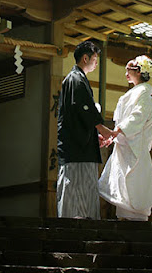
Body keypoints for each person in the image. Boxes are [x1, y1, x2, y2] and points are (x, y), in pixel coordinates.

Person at [98, 55, 152, 221]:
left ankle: (135, 220)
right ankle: (124, 218)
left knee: (133, 185)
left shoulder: (146, 99)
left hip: (136, 148)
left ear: (139, 72)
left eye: (129, 69)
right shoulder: (133, 95)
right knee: (123, 187)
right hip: (125, 145)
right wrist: (113, 136)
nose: (126, 72)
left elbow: (136, 118)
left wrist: (115, 132)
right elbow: (126, 121)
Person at [57, 40, 115, 219]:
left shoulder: (76, 79)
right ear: (85, 58)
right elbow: (84, 108)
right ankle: (77, 223)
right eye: (95, 59)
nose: (96, 63)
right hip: (77, 148)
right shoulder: (75, 79)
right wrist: (102, 129)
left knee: (78, 185)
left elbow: (79, 114)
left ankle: (80, 222)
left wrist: (93, 134)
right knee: (77, 185)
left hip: (78, 144)